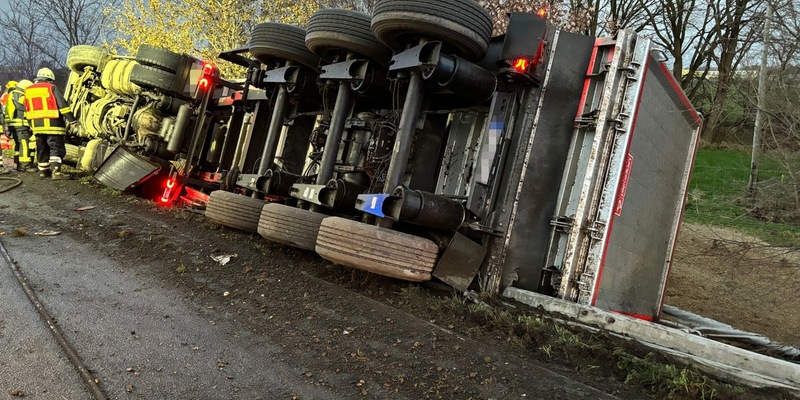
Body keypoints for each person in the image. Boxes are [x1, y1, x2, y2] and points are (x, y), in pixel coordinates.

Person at [24, 68, 77, 180]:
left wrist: (30, 124)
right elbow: (63, 105)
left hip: (37, 126)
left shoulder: (28, 90)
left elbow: (27, 109)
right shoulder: (51, 88)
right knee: (56, 148)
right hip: (53, 125)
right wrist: (72, 121)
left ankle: (43, 171)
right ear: (49, 79)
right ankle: (56, 173)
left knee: (42, 148)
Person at [5, 79, 37, 172]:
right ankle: (25, 165)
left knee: (18, 145)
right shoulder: (19, 94)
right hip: (21, 125)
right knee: (24, 144)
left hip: (15, 125)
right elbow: (26, 106)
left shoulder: (13, 94)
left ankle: (19, 163)